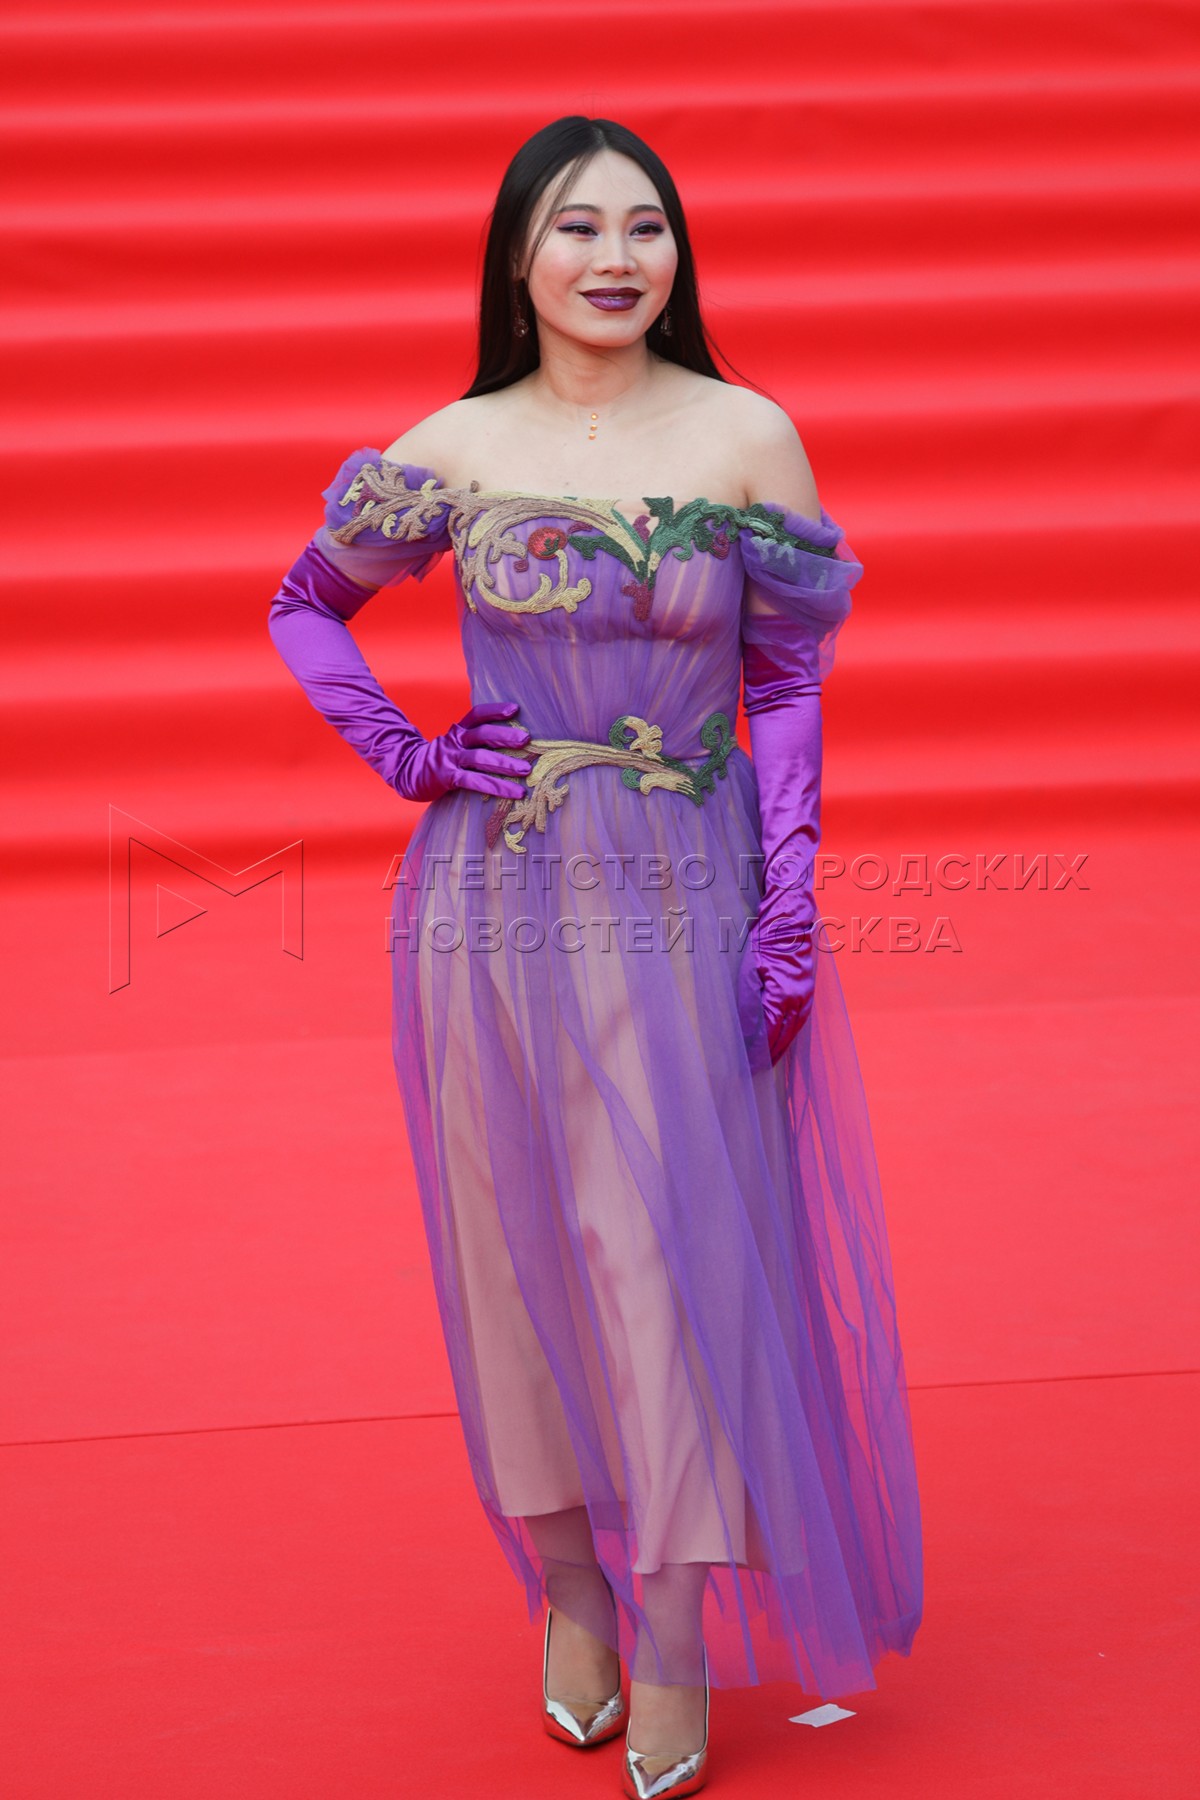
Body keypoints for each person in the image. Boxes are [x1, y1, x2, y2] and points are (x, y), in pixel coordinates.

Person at [267, 115, 923, 1799]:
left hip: (687, 885)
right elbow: (304, 602)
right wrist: (407, 752)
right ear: (518, 258)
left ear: (678, 255)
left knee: (659, 1245)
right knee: (512, 1242)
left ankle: (677, 1622)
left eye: (645, 226)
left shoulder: (744, 433)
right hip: (500, 889)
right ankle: (569, 1586)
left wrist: (789, 898)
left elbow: (787, 680)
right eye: (577, 227)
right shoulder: (457, 445)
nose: (615, 257)